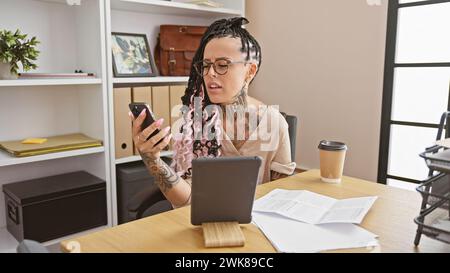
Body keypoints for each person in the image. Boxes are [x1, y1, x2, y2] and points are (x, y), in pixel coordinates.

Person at [129, 17, 296, 208]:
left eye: (222, 65)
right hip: (205, 227)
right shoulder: (197, 124)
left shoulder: (274, 124)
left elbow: (281, 198)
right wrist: (152, 160)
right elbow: (188, 202)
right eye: (206, 65)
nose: (210, 74)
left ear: (250, 71)